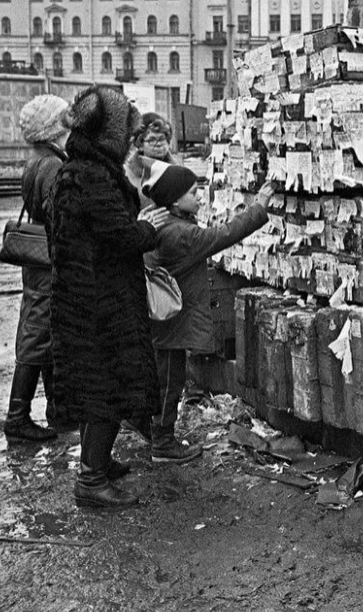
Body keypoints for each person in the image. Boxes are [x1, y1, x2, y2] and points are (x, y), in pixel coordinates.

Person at [48, 86, 170, 510]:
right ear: (111, 135)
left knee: (97, 388)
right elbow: (118, 237)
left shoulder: (79, 169)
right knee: (106, 390)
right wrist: (148, 228)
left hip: (86, 299)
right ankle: (91, 480)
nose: (131, 142)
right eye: (127, 134)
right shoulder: (91, 176)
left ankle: (97, 460)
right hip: (100, 306)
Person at [133, 164, 275, 464]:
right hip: (170, 324)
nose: (199, 198)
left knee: (162, 378)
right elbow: (222, 236)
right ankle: (163, 443)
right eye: (193, 193)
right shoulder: (181, 234)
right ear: (174, 200)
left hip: (160, 322)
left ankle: (153, 429)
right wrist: (259, 207)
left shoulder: (163, 223)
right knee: (171, 382)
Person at [5, 95, 70, 442]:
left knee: (43, 331)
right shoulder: (53, 166)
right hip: (48, 261)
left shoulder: (36, 161)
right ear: (54, 128)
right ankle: (18, 418)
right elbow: (57, 217)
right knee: (38, 334)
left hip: (35, 261)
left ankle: (53, 410)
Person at [124, 113, 182, 195]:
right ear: (140, 145)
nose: (158, 144)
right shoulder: (128, 174)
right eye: (152, 140)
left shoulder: (178, 171)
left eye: (162, 139)